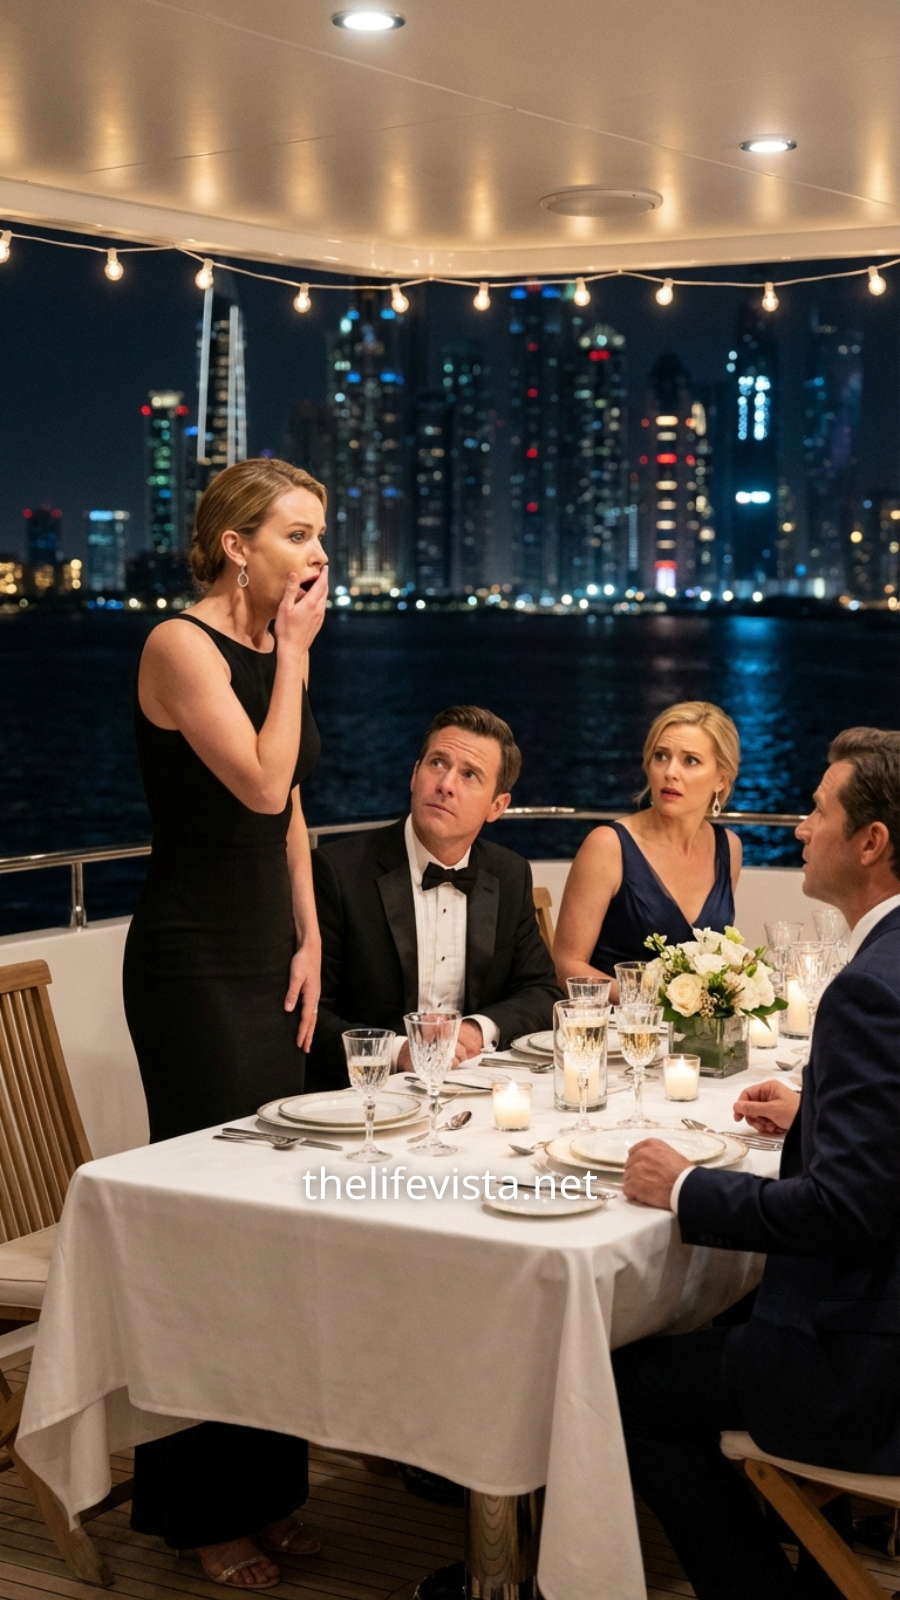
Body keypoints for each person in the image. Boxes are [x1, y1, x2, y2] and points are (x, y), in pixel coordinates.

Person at [612, 726, 900, 1600]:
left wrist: (685, 1186)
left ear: (871, 841)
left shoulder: (870, 989)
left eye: (817, 810)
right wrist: (820, 1113)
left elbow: (846, 1211)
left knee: (618, 1383)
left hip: (866, 1367)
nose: (801, 827)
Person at [123, 458, 329, 1589]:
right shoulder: (180, 645)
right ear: (236, 545)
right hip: (192, 964)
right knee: (208, 1235)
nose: (318, 555)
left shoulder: (269, 647)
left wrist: (310, 937)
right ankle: (200, 1509)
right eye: (298, 533)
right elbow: (255, 780)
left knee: (275, 1232)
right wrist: (293, 659)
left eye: (322, 534)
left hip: (265, 956)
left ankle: (269, 1487)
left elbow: (291, 810)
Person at [307, 704, 562, 1093]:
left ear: (497, 806)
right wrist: (397, 1052)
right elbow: (310, 1012)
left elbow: (542, 992)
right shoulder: (338, 872)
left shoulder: (509, 873)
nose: (446, 784)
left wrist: (475, 1030)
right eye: (438, 763)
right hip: (366, 1097)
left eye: (469, 775)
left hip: (472, 1089)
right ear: (415, 774)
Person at [553, 701, 741, 1000]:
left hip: (688, 1027)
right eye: (661, 756)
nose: (670, 772)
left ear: (721, 779)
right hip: (614, 1023)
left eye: (690, 760)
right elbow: (566, 966)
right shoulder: (607, 845)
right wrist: (657, 1001)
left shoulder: (728, 847)